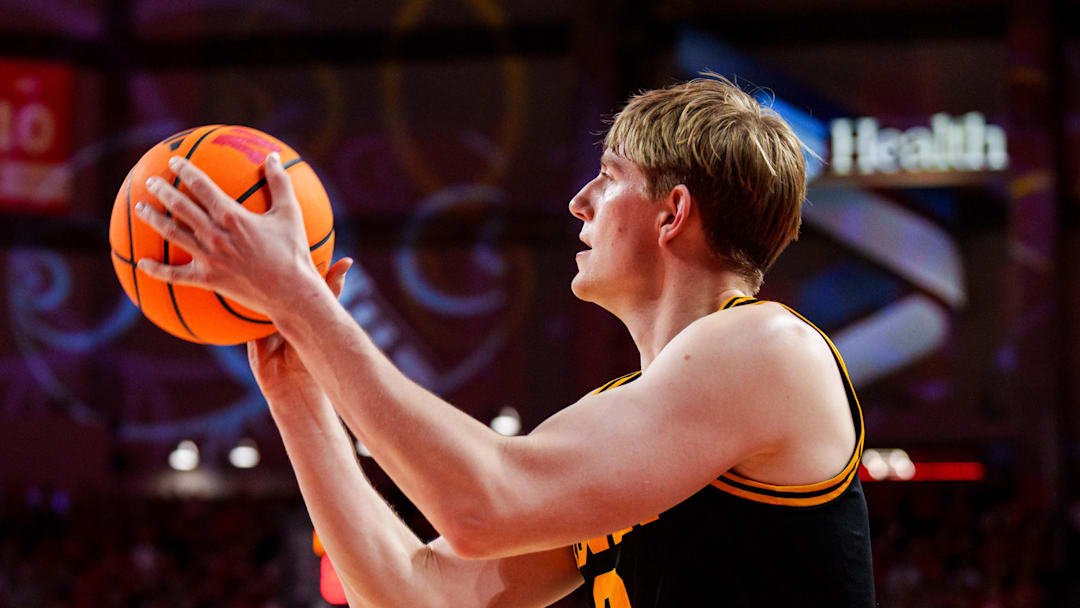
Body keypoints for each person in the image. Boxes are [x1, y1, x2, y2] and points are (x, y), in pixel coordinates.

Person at [134, 74, 875, 607]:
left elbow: (485, 505)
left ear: (672, 211)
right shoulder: (622, 416)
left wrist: (302, 297)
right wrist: (294, 388)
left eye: (609, 178)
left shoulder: (768, 347)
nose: (578, 202)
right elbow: (411, 596)